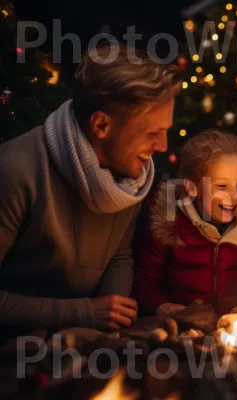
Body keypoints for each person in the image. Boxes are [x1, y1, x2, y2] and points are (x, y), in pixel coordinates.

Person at [0, 44, 183, 341]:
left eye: (165, 130)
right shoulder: (16, 172)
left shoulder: (130, 176)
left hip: (83, 342)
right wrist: (84, 313)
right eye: (151, 133)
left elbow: (119, 256)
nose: (162, 146)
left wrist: (111, 317)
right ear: (101, 124)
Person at [133, 130, 237, 317]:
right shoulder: (167, 224)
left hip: (234, 331)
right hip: (179, 330)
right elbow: (143, 282)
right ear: (192, 188)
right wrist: (163, 307)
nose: (234, 196)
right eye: (222, 186)